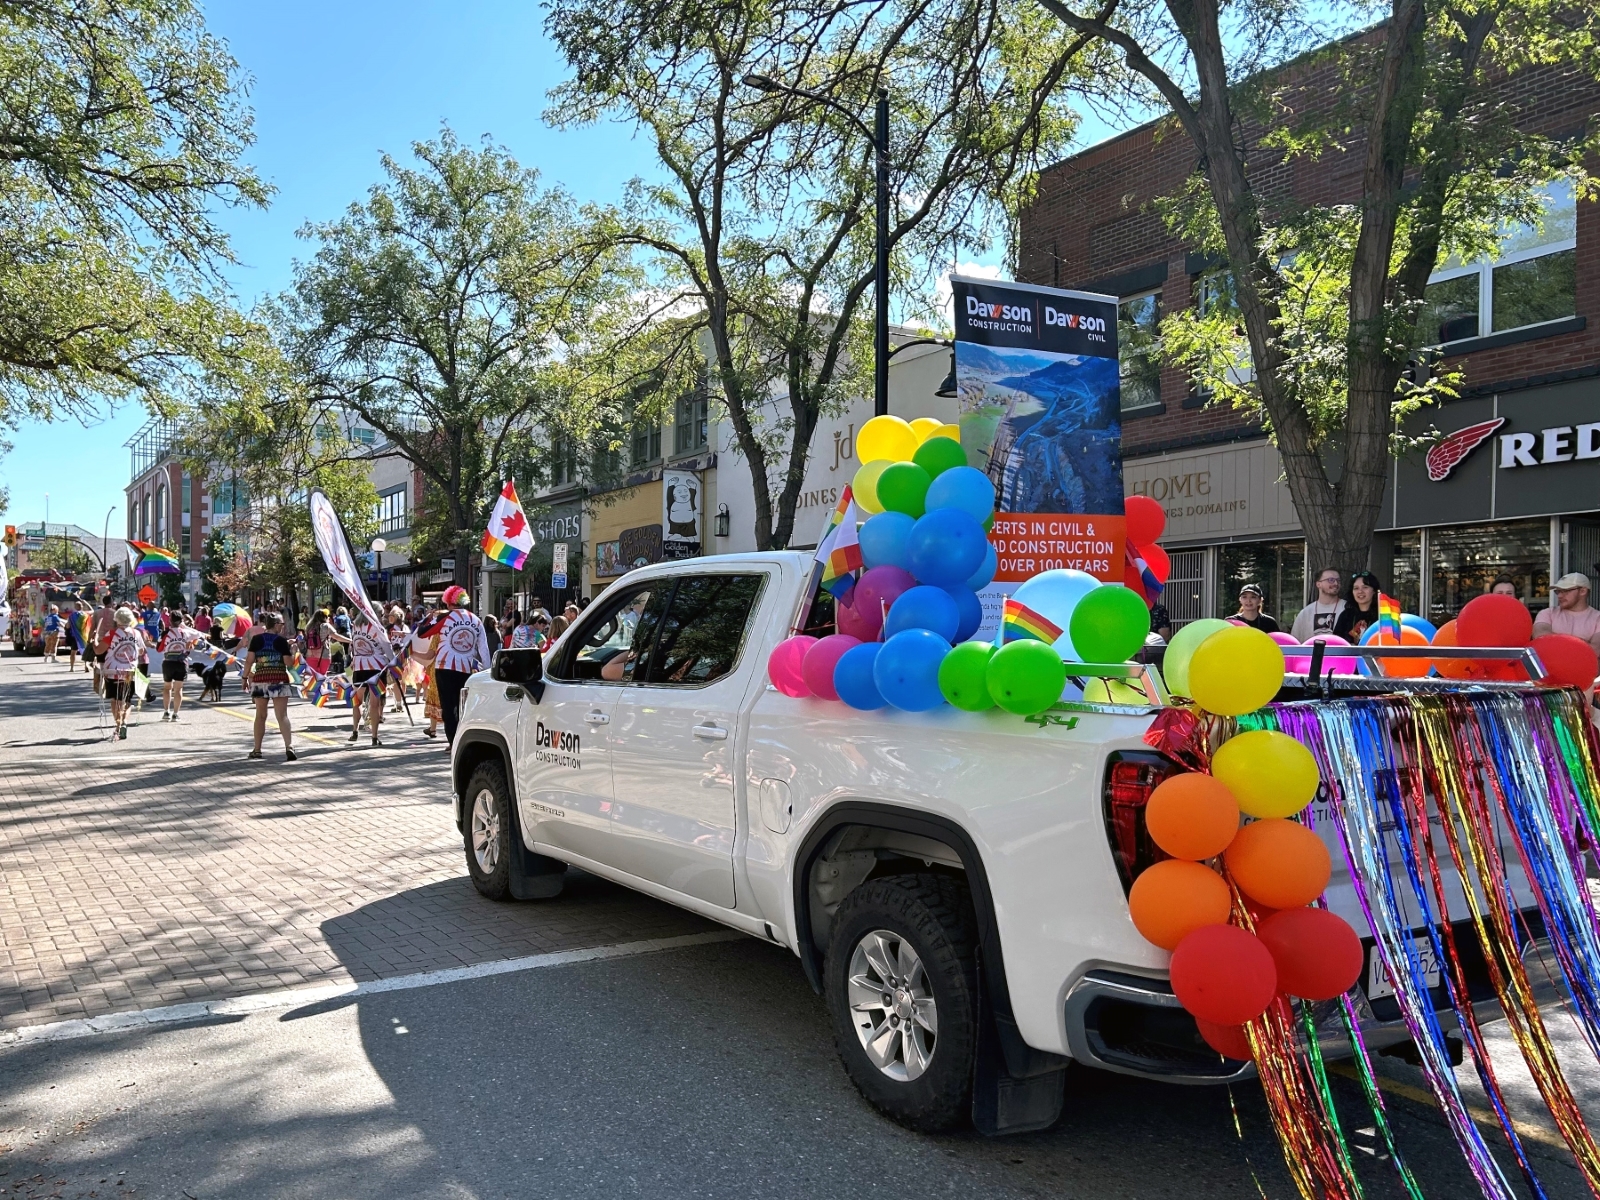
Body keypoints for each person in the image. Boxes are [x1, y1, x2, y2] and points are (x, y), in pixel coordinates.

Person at [433, 585, 491, 746]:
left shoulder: (444, 618)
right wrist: (487, 672)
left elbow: (423, 633)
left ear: (448, 602)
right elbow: (484, 650)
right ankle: (462, 740)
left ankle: (453, 741)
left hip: (444, 667)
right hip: (465, 668)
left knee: (448, 706)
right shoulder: (476, 619)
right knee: (462, 706)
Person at [242, 612, 299, 761]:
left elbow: (249, 661)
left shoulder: (256, 639)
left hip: (260, 679)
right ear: (275, 625)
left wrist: (244, 677)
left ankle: (257, 749)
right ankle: (289, 746)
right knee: (282, 715)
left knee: (260, 716)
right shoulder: (281, 641)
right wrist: (292, 651)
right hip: (279, 679)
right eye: (281, 624)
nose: (282, 626)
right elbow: (289, 663)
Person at [103, 606, 154, 740]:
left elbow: (98, 650)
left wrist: (96, 641)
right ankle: (124, 722)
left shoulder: (111, 633)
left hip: (112, 672)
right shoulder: (137, 633)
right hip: (130, 671)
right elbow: (142, 651)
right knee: (127, 700)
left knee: (115, 700)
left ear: (117, 619)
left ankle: (118, 726)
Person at [1534, 573, 1600, 656]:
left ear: (1583, 591)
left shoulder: (1597, 618)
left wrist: (1555, 639)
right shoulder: (1547, 613)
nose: (1560, 596)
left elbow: (1596, 650)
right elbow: (1541, 638)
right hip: (1550, 668)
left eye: (1565, 591)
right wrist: (1583, 643)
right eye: (1558, 591)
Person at [159, 611, 206, 721]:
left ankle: (166, 712)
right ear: (181, 621)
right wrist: (185, 628)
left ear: (170, 621)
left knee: (167, 687)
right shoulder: (185, 633)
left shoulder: (166, 633)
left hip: (168, 662)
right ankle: (175, 714)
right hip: (181, 663)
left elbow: (159, 649)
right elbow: (200, 635)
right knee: (178, 689)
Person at [1291, 567, 1348, 641]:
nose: (1336, 583)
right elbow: (1295, 643)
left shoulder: (1347, 608)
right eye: (1331, 580)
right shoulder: (1306, 613)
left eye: (1338, 580)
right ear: (1318, 584)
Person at [1333, 572, 1382, 643]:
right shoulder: (1346, 615)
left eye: (1365, 587)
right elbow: (1336, 643)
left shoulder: (1382, 615)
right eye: (1356, 588)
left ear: (1374, 591)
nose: (1360, 591)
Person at [90, 597, 117, 695]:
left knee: (101, 664)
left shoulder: (97, 613)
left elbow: (92, 627)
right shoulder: (115, 613)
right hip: (111, 641)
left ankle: (99, 686)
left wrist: (89, 640)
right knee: (110, 664)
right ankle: (107, 686)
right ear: (111, 602)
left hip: (100, 640)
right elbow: (116, 628)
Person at [302, 609, 333, 677]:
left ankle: (312, 688)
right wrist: (350, 640)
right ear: (324, 617)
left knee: (311, 678)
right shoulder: (325, 626)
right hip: (323, 656)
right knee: (322, 677)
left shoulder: (308, 627)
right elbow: (337, 636)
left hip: (310, 655)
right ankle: (321, 687)